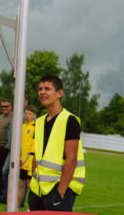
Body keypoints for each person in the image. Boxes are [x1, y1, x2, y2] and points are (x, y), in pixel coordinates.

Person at [29, 75, 86, 212]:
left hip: (59, 190)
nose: (42, 92)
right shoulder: (40, 122)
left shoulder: (70, 120)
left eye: (47, 89)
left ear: (59, 93)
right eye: (40, 89)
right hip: (38, 189)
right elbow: (38, 155)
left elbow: (71, 160)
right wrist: (33, 181)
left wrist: (60, 191)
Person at [18, 106, 37, 207]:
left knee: (30, 186)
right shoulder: (22, 126)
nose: (27, 116)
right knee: (20, 185)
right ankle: (15, 207)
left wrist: (32, 163)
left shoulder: (35, 128)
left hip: (30, 163)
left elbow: (34, 148)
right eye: (26, 113)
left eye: (29, 114)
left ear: (34, 115)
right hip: (22, 162)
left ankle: (31, 208)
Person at [0, 98, 12, 188]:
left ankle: (6, 191)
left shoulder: (13, 117)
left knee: (6, 171)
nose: (4, 108)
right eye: (2, 106)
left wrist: (7, 146)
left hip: (6, 148)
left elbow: (14, 133)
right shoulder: (0, 117)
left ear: (10, 106)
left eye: (6, 106)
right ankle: (1, 190)